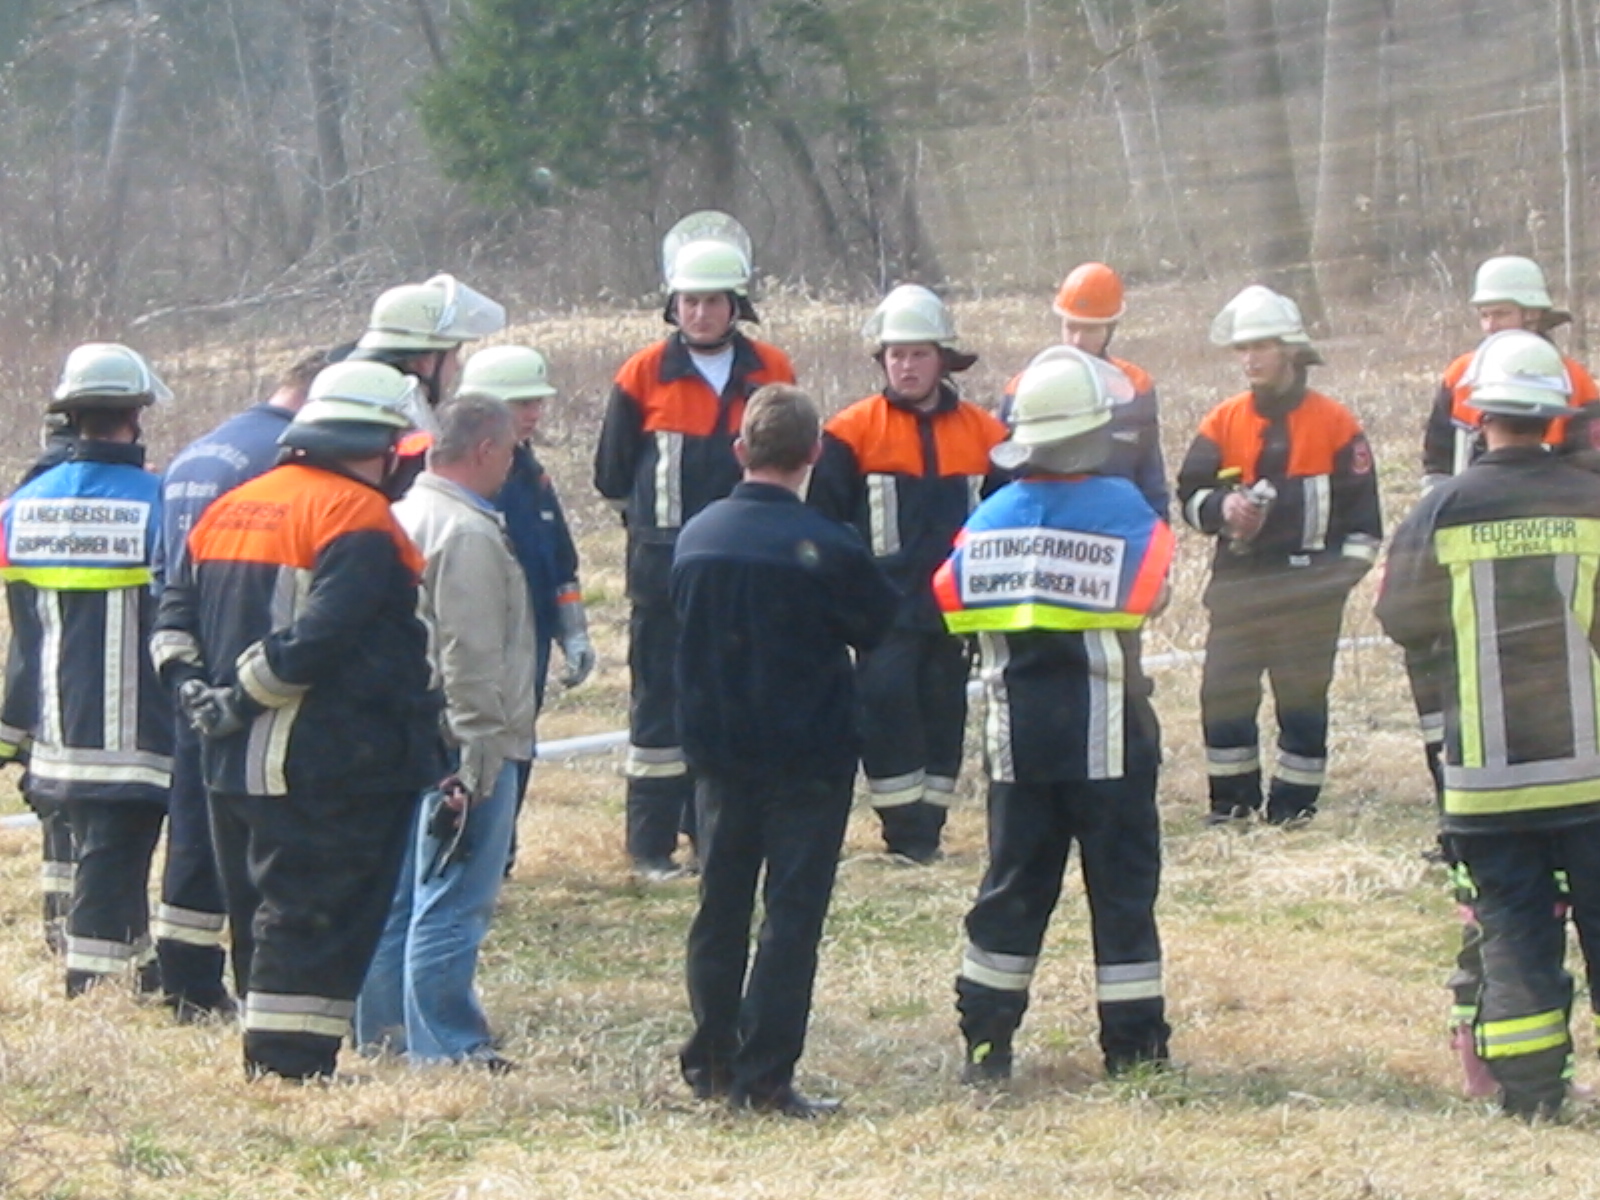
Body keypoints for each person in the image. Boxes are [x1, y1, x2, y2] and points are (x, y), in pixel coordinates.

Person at [150, 361, 440, 1081]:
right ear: (375, 443)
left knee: (260, 914)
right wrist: (242, 696)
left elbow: (173, 616)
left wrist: (194, 690)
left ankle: (272, 1055)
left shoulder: (231, 506)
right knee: (314, 916)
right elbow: (324, 634)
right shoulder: (357, 517)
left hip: (229, 763)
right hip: (326, 761)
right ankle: (291, 1067)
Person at [1377, 329, 1600, 1120]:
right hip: (1590, 774)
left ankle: (1532, 1094)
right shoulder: (1591, 502)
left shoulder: (1443, 507)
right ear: (1556, 416)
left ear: (1477, 415)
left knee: (1512, 933)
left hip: (1485, 778)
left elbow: (1401, 619)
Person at [935, 347, 1174, 1084]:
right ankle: (1134, 1053)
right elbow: (1155, 593)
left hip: (1018, 743)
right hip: (1111, 741)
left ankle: (987, 1045)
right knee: (1122, 896)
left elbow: (951, 600)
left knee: (1012, 892)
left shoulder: (988, 519)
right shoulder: (1124, 510)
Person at [672, 382, 898, 1116]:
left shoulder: (698, 535)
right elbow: (878, 625)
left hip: (718, 752)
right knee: (791, 917)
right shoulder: (828, 545)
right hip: (808, 756)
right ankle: (765, 1077)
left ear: (740, 449)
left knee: (721, 907)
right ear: (815, 453)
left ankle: (710, 1060)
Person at [594, 211, 796, 880]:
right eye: (689, 301)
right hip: (664, 575)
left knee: (737, 703)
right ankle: (651, 844)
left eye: (712, 301)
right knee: (659, 706)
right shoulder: (642, 374)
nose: (701, 313)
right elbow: (612, 475)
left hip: (748, 573)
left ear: (737, 304)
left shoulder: (772, 370)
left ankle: (720, 838)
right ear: (672, 305)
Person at [151, 346, 342, 1020]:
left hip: (193, 672)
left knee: (193, 831)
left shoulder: (199, 454)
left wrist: (183, 671)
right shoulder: (276, 462)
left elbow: (171, 577)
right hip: (253, 687)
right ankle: (254, 991)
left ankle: (185, 979)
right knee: (252, 851)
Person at [355, 395, 539, 1070]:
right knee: (453, 898)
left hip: (406, 740)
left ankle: (385, 1033)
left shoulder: (403, 514)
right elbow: (470, 654)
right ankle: (448, 1043)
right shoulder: (467, 533)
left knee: (401, 899)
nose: (511, 465)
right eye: (509, 451)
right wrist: (480, 754)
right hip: (460, 744)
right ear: (485, 450)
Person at [809, 284, 1005, 862]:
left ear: (943, 359)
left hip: (955, 610)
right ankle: (903, 835)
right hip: (883, 612)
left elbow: (1006, 521)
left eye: (919, 354)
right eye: (896, 354)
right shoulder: (850, 433)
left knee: (945, 714)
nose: (907, 365)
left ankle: (930, 830)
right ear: (882, 359)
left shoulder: (986, 435)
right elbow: (824, 526)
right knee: (886, 716)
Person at [0, 344, 174, 997]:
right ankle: (96, 985)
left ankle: (111, 960)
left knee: (87, 852)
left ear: (69, 416)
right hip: (139, 730)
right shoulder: (160, 503)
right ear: (136, 413)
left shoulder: (19, 508)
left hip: (54, 725)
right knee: (118, 855)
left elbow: (23, 624)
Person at [1176, 285, 1383, 826]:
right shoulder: (1223, 421)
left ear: (1290, 349)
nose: (1249, 359)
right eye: (1242, 349)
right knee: (1224, 698)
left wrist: (1332, 586)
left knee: (1302, 703)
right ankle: (1231, 807)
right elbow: (1189, 497)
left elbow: (1365, 528)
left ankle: (1294, 811)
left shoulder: (1337, 425)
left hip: (1309, 596)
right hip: (1238, 590)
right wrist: (1223, 508)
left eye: (1261, 346)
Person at [457, 346, 594, 871]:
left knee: (519, 742)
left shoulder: (530, 473)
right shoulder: (468, 479)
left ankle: (500, 854)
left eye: (537, 402)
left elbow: (558, 559)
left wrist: (573, 631)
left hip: (529, 638)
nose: (535, 413)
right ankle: (470, 853)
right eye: (522, 403)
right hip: (481, 638)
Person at [1, 412, 81, 955]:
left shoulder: (19, 507)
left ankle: (58, 928)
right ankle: (73, 934)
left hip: (35, 689)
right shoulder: (104, 498)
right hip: (83, 693)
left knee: (56, 816)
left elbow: (24, 632)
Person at [1001, 262, 1167, 516]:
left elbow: (1150, 477)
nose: (1078, 340)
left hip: (1118, 523)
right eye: (1071, 327)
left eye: (1090, 329)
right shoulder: (1025, 389)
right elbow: (1001, 483)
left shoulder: (1135, 388)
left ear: (1110, 328)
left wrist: (1157, 527)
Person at [348, 273, 507, 496]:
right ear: (424, 362)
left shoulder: (353, 407)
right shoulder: (403, 430)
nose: (457, 367)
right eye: (453, 355)